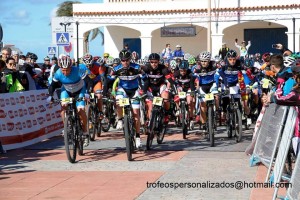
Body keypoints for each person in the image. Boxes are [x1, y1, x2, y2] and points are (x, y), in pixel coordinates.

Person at [47, 55, 91, 147]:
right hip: (66, 91)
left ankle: (85, 132)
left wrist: (87, 93)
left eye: (67, 70)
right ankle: (67, 127)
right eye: (63, 70)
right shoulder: (58, 73)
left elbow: (88, 81)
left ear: (71, 67)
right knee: (63, 108)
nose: (65, 72)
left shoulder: (78, 70)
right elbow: (52, 85)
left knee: (81, 110)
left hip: (80, 91)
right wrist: (50, 96)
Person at [109, 50, 145, 148]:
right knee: (119, 102)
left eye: (127, 60)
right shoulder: (116, 68)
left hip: (134, 90)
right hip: (123, 90)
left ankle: (137, 137)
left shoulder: (136, 67)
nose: (125, 62)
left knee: (136, 113)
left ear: (130, 60)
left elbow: (144, 78)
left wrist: (143, 89)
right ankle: (120, 119)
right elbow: (109, 79)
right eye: (123, 60)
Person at [142, 53, 173, 124]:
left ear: (158, 61)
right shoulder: (146, 68)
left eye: (155, 62)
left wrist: (175, 89)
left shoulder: (163, 69)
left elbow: (170, 80)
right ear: (149, 62)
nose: (153, 64)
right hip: (150, 87)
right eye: (151, 62)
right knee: (150, 107)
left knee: (165, 99)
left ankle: (166, 114)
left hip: (160, 86)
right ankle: (150, 122)